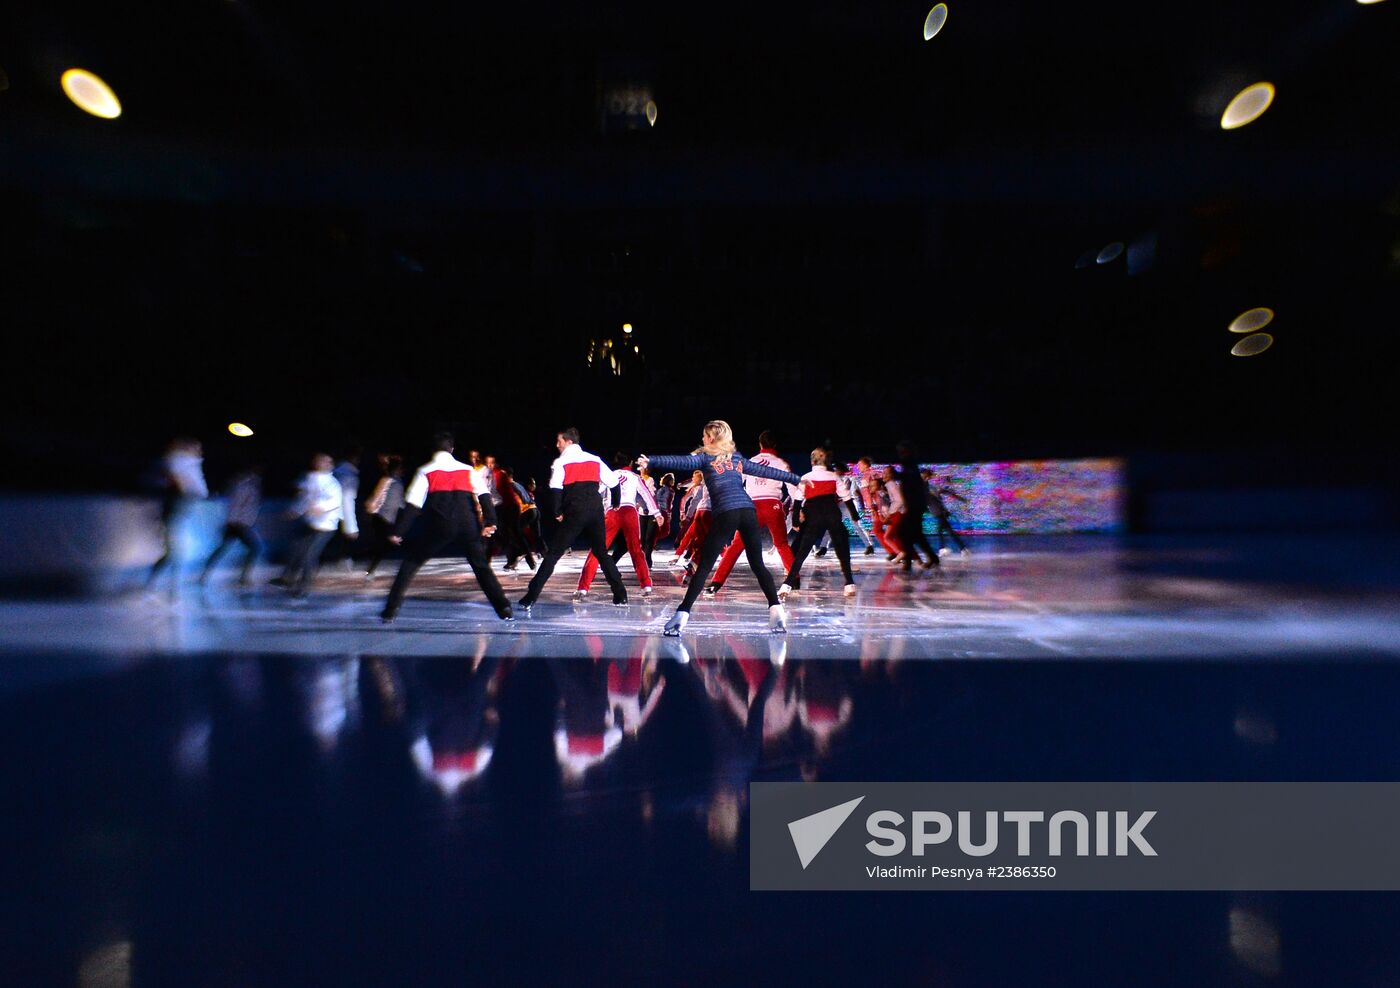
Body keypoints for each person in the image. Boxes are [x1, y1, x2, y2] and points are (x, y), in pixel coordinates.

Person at [639, 419, 802, 636]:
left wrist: (652, 460)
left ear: (712, 438)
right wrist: (796, 478)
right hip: (747, 511)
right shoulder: (737, 458)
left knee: (704, 567)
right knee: (757, 564)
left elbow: (681, 462)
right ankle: (776, 612)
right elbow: (767, 472)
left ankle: (681, 615)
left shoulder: (706, 458)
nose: (703, 439)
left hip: (727, 512)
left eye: (705, 436)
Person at [381, 432, 513, 622]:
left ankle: (390, 611)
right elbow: (484, 496)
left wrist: (398, 531)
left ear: (432, 450)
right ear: (452, 449)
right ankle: (504, 608)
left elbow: (413, 505)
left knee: (410, 564)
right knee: (481, 568)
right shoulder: (468, 470)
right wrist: (491, 522)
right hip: (468, 525)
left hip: (440, 526)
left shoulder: (425, 471)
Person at [517, 428, 630, 610]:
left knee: (553, 554)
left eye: (559, 441)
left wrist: (556, 512)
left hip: (575, 512)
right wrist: (615, 504)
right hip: (595, 511)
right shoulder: (595, 459)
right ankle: (620, 594)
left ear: (568, 442)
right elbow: (614, 483)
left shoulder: (561, 462)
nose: (557, 445)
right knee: (601, 552)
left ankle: (531, 596)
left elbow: (555, 489)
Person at [703, 430, 798, 598]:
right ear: (775, 444)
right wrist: (797, 508)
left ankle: (716, 583)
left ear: (760, 445)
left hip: (751, 506)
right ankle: (793, 579)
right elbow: (793, 488)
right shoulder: (781, 463)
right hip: (772, 505)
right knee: (782, 544)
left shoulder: (749, 461)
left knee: (736, 546)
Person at [779, 448, 858, 599]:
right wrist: (854, 515)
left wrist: (796, 521)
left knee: (802, 552)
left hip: (813, 515)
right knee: (842, 548)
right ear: (827, 461)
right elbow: (846, 496)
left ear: (811, 461)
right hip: (832, 513)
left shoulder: (806, 477)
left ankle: (787, 584)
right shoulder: (834, 476)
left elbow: (797, 500)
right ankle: (849, 584)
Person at [578, 454, 658, 598]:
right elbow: (646, 495)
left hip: (612, 512)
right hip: (629, 512)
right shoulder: (635, 477)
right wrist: (656, 513)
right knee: (636, 550)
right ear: (631, 462)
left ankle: (583, 588)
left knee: (598, 549)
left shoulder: (610, 475)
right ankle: (646, 585)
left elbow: (596, 491)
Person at [147, 437, 209, 593]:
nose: (199, 452)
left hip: (179, 512)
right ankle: (156, 582)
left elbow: (197, 487)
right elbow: (177, 479)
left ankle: (169, 584)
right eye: (195, 448)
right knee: (173, 552)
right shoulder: (177, 463)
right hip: (173, 513)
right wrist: (183, 488)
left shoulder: (189, 465)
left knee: (175, 552)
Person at [277, 453, 344, 598]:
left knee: (309, 555)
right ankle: (288, 578)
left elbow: (335, 501)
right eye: (318, 461)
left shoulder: (332, 483)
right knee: (297, 549)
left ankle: (303, 588)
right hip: (312, 522)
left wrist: (321, 508)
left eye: (324, 462)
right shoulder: (311, 478)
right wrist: (296, 511)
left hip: (326, 525)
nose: (319, 464)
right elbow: (306, 499)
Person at [199, 465, 263, 587]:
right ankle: (242, 578)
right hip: (238, 523)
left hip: (238, 523)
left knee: (222, 549)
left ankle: (205, 574)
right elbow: (237, 504)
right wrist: (233, 520)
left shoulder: (247, 486)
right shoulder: (245, 486)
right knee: (254, 548)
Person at [893, 442, 939, 571]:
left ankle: (908, 562)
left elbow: (910, 481)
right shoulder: (909, 464)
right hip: (915, 504)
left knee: (903, 532)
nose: (900, 453)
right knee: (915, 534)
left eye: (902, 450)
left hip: (914, 505)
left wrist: (896, 475)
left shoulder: (909, 464)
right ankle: (931, 558)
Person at [363, 455, 406, 578]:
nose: (402, 470)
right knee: (382, 545)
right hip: (380, 516)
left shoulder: (397, 481)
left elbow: (398, 500)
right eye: (400, 468)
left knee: (383, 545)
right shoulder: (387, 480)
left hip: (387, 517)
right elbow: (377, 497)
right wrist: (371, 508)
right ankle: (369, 570)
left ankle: (370, 569)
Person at [928, 473, 971, 556]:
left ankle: (960, 549)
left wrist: (962, 499)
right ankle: (960, 548)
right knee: (943, 531)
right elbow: (949, 493)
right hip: (939, 512)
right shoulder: (930, 488)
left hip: (939, 512)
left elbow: (949, 493)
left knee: (946, 531)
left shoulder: (932, 488)